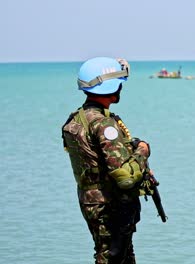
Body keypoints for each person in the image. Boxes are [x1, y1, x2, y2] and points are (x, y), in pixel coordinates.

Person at [62, 57, 153, 264]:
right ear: (111, 87)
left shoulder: (76, 119)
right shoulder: (104, 124)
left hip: (90, 198)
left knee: (120, 255)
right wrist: (142, 151)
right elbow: (125, 178)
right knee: (111, 256)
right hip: (109, 203)